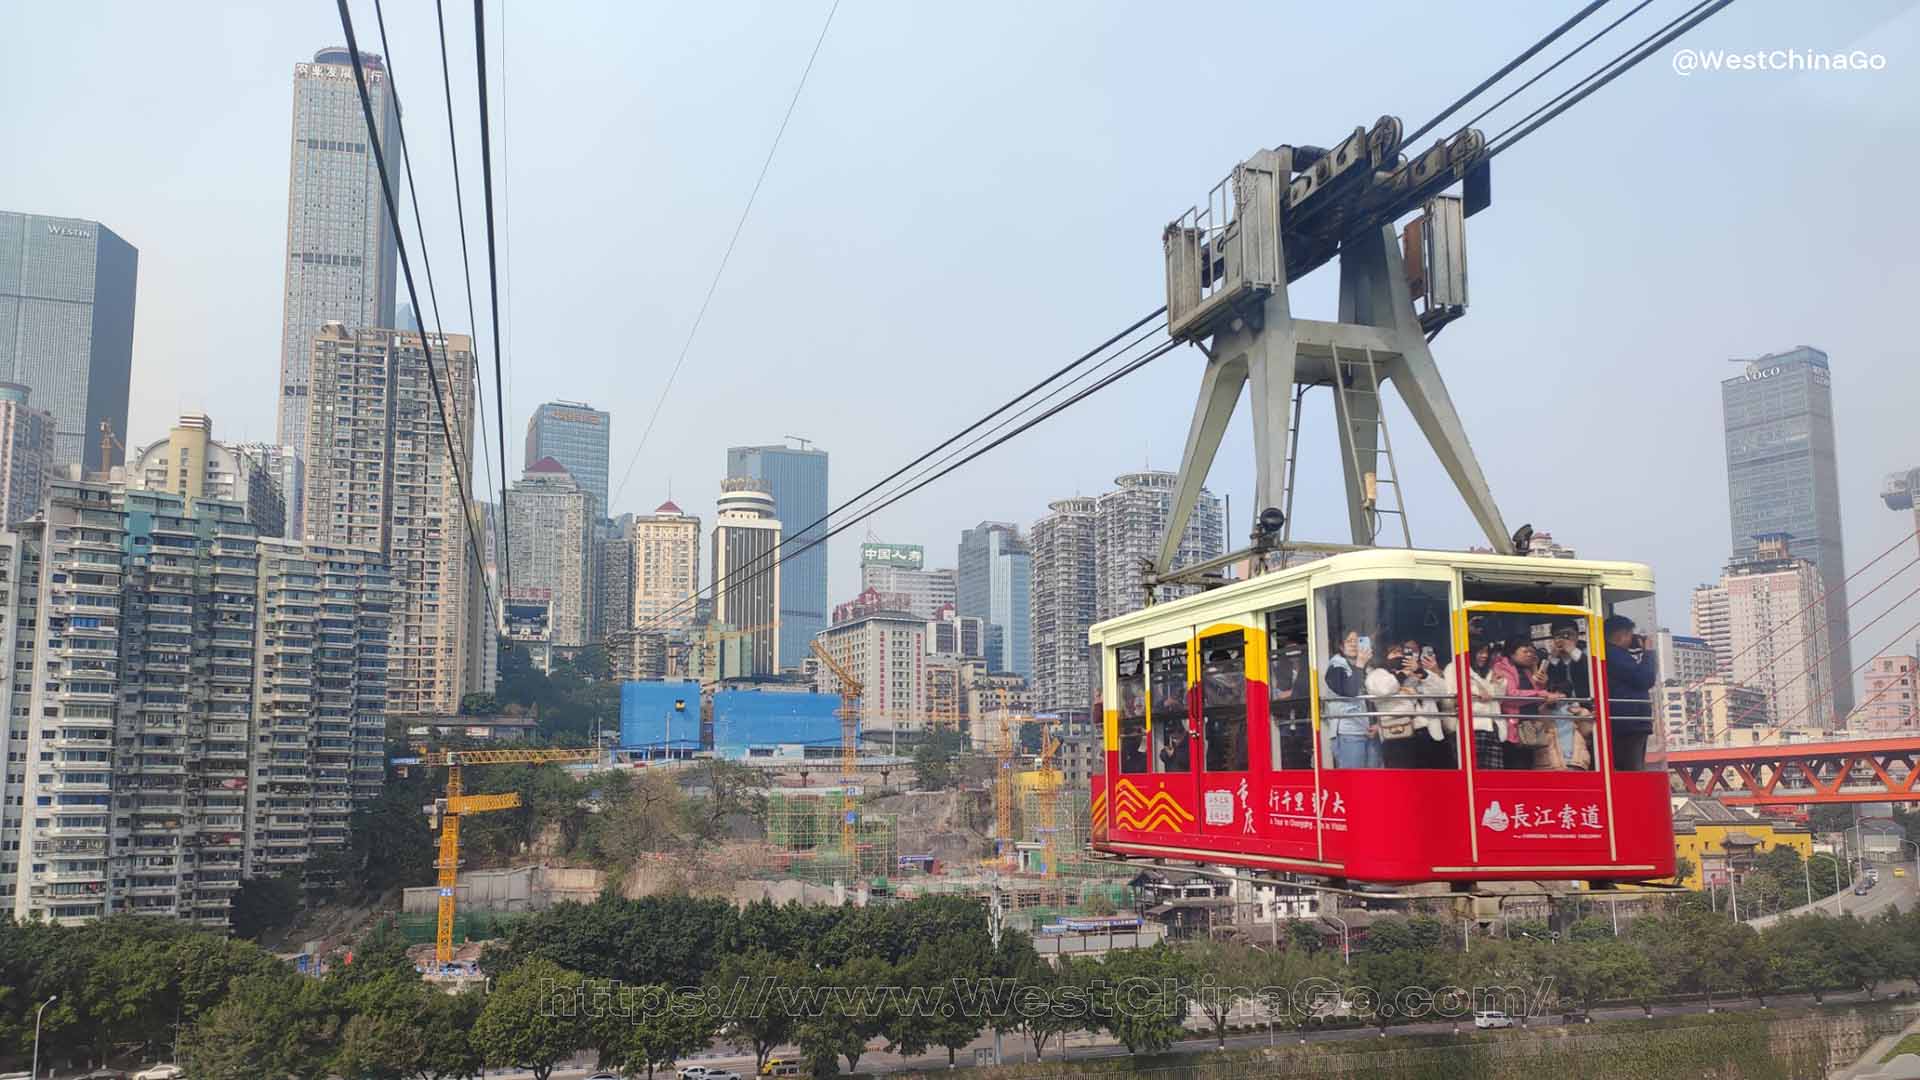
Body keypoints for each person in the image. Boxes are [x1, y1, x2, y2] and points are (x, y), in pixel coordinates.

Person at [1492, 641, 1564, 768]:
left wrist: (1541, 680)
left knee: (1528, 765)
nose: (1530, 655)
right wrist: (1541, 694)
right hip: (1513, 726)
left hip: (1530, 726)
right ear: (1511, 653)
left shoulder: (1527, 669)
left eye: (1532, 652)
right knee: (1516, 766)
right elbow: (1510, 695)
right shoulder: (1501, 667)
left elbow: (1535, 693)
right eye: (1525, 651)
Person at [1603, 614, 1657, 771]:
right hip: (1629, 723)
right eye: (1630, 635)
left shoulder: (1614, 654)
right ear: (1622, 635)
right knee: (1633, 769)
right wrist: (1648, 652)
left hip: (1627, 722)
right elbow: (1645, 679)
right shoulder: (1615, 655)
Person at [1446, 642, 1508, 768]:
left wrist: (1499, 684)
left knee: (1493, 777)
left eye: (1486, 652)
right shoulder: (1454, 667)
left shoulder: (1489, 671)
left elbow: (1499, 701)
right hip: (1469, 727)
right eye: (1480, 652)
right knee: (1470, 774)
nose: (1484, 656)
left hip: (1492, 727)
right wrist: (1476, 693)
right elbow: (1450, 695)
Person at [1542, 623, 1594, 769]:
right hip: (1562, 714)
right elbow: (1549, 683)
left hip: (1586, 711)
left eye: (1568, 635)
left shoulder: (1587, 653)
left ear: (1577, 635)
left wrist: (1572, 650)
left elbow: (1592, 675)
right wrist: (1553, 657)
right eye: (1558, 636)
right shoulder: (1552, 659)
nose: (1563, 639)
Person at [1324, 630, 1378, 768]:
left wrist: (1378, 723)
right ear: (1341, 646)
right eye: (1349, 641)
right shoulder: (1335, 667)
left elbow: (1372, 697)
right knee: (1354, 780)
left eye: (1357, 641)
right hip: (1348, 733)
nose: (1354, 644)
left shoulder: (1367, 667)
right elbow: (1350, 690)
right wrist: (1360, 664)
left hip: (1370, 731)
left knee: (1374, 780)